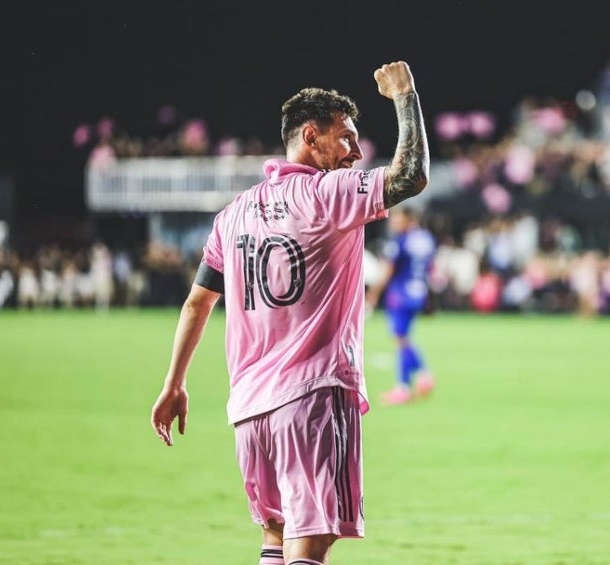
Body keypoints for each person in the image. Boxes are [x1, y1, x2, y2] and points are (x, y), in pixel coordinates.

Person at [150, 61, 429, 565]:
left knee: (276, 538)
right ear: (310, 136)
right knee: (309, 544)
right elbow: (410, 175)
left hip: (250, 409)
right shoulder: (327, 195)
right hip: (313, 396)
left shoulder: (232, 216)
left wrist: (174, 383)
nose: (356, 152)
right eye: (346, 138)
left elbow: (198, 301)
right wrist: (405, 96)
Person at [367, 208, 437, 404]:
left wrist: (373, 293)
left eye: (398, 218)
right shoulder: (426, 238)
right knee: (404, 338)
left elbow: (389, 269)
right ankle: (417, 379)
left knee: (401, 340)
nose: (394, 222)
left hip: (400, 294)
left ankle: (411, 382)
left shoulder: (400, 240)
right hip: (419, 292)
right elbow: (430, 267)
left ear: (409, 219)